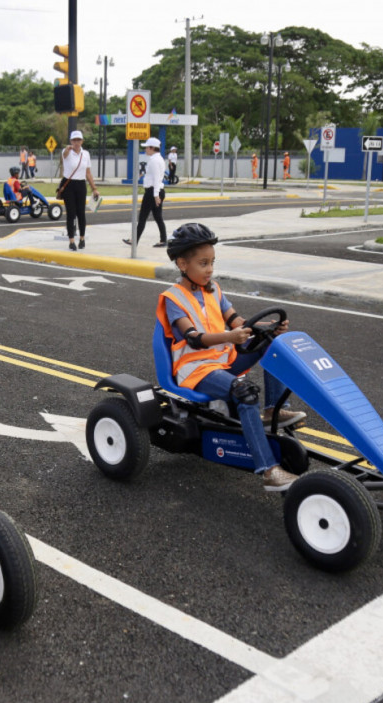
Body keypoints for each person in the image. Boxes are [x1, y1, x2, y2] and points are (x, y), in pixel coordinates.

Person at [158, 223, 306, 490]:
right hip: (197, 370)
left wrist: (267, 329)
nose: (210, 270)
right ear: (182, 264)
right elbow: (192, 337)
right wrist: (229, 337)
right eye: (203, 264)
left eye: (212, 262)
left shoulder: (213, 289)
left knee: (274, 345)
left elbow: (236, 320)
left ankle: (272, 409)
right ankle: (269, 469)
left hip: (222, 360)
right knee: (245, 392)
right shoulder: (173, 298)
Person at [58, 130, 98, 251]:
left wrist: (94, 188)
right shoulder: (67, 152)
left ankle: (82, 238)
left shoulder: (86, 154)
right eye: (74, 140)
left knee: (81, 213)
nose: (76, 142)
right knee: (71, 213)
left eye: (78, 140)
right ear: (71, 141)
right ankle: (71, 240)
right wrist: (67, 149)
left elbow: (88, 173)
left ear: (82, 141)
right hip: (69, 184)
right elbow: (64, 155)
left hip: (81, 184)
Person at [125, 137, 167, 248]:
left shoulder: (154, 160)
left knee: (143, 217)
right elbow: (154, 176)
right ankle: (163, 239)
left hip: (152, 192)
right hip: (156, 191)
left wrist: (155, 195)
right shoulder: (158, 159)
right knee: (158, 216)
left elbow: (157, 178)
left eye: (147, 148)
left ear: (152, 148)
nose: (145, 150)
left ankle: (134, 240)